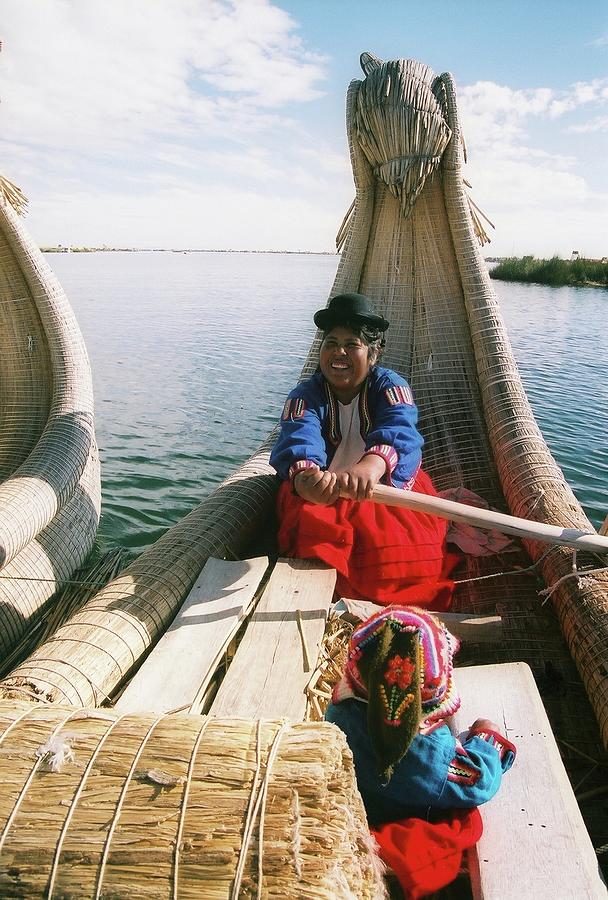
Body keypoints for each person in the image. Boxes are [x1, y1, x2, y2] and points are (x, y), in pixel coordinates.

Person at [269, 292, 452, 607]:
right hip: (324, 493)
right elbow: (300, 434)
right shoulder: (306, 395)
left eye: (352, 344)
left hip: (381, 488)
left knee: (401, 557)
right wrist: (306, 477)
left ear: (373, 354)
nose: (339, 352)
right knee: (315, 533)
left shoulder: (391, 388)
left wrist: (371, 467)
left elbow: (400, 428)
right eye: (331, 343)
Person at [325, 605, 516, 897]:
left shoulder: (340, 710)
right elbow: (478, 781)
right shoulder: (425, 755)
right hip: (394, 813)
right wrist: (486, 737)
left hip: (364, 802)